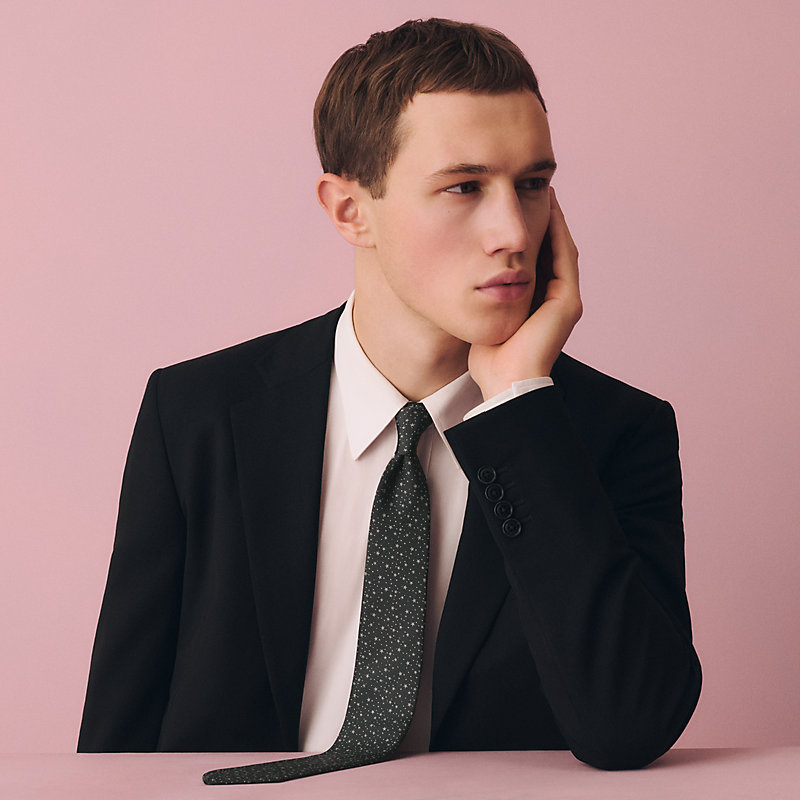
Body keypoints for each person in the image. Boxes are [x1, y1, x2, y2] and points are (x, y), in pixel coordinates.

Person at [78, 18, 701, 771]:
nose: (513, 232)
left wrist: (519, 413)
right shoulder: (197, 414)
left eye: (533, 185)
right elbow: (114, 740)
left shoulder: (616, 431)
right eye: (464, 187)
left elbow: (631, 727)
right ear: (350, 210)